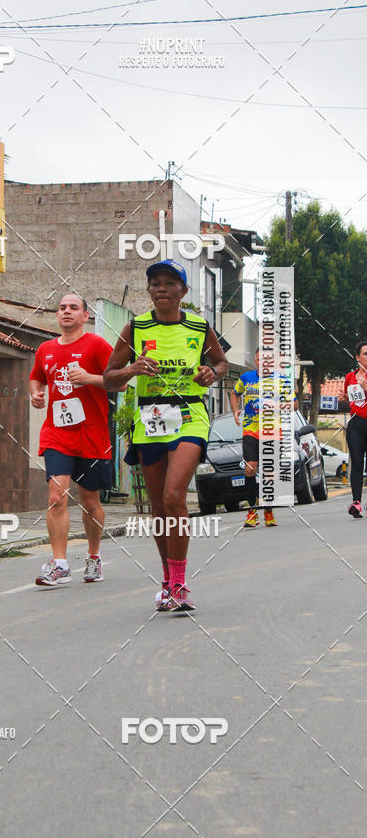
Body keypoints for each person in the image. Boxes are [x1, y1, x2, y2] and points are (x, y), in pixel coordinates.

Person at [103, 259, 228, 612]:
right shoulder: (135, 328)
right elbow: (109, 377)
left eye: (169, 283)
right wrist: (132, 368)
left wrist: (211, 374)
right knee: (159, 506)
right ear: (149, 290)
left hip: (189, 414)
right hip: (150, 418)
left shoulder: (199, 327)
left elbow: (221, 364)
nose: (161, 288)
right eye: (155, 283)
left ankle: (181, 583)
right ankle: (167, 579)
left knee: (175, 496)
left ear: (183, 292)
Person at [29, 293, 119, 587]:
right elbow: (37, 376)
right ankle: (60, 564)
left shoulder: (97, 345)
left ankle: (94, 557)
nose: (67, 312)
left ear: (84, 316)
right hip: (57, 433)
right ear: (57, 315)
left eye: (73, 308)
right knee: (56, 497)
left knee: (90, 502)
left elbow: (117, 380)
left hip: (92, 435)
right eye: (62, 308)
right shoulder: (45, 349)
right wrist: (36, 393)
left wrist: (89, 378)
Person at [230, 349, 282, 529]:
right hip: (250, 430)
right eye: (260, 359)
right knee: (250, 468)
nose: (263, 363)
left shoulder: (279, 380)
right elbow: (234, 393)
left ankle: (268, 511)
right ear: (256, 360)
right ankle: (252, 512)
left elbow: (294, 403)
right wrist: (235, 410)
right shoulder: (246, 377)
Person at [343, 340, 367, 518]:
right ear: (358, 357)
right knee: (357, 463)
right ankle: (356, 502)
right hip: (356, 424)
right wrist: (344, 397)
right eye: (365, 354)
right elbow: (348, 399)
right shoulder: (350, 377)